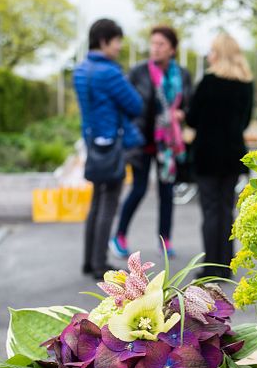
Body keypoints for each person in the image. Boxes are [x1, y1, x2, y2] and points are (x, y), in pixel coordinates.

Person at [110, 25, 193, 259]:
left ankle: (165, 240)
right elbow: (126, 105)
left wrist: (181, 114)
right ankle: (119, 236)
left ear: (172, 49)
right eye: (153, 43)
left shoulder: (182, 75)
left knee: (167, 192)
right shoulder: (138, 72)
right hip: (141, 142)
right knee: (138, 188)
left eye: (161, 44)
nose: (155, 48)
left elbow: (189, 104)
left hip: (167, 145)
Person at [73, 19, 143, 279]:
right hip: (114, 145)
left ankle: (88, 261)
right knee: (109, 203)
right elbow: (135, 105)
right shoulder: (110, 73)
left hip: (93, 143)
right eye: (116, 41)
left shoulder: (80, 71)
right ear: (104, 41)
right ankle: (100, 264)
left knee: (96, 201)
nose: (119, 47)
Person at [186, 33, 253, 279]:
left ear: (220, 53)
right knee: (226, 209)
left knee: (210, 210)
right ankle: (226, 265)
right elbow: (245, 121)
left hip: (207, 154)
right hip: (233, 153)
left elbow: (192, 118)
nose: (209, 55)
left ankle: (210, 266)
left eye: (212, 50)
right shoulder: (246, 83)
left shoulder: (208, 82)